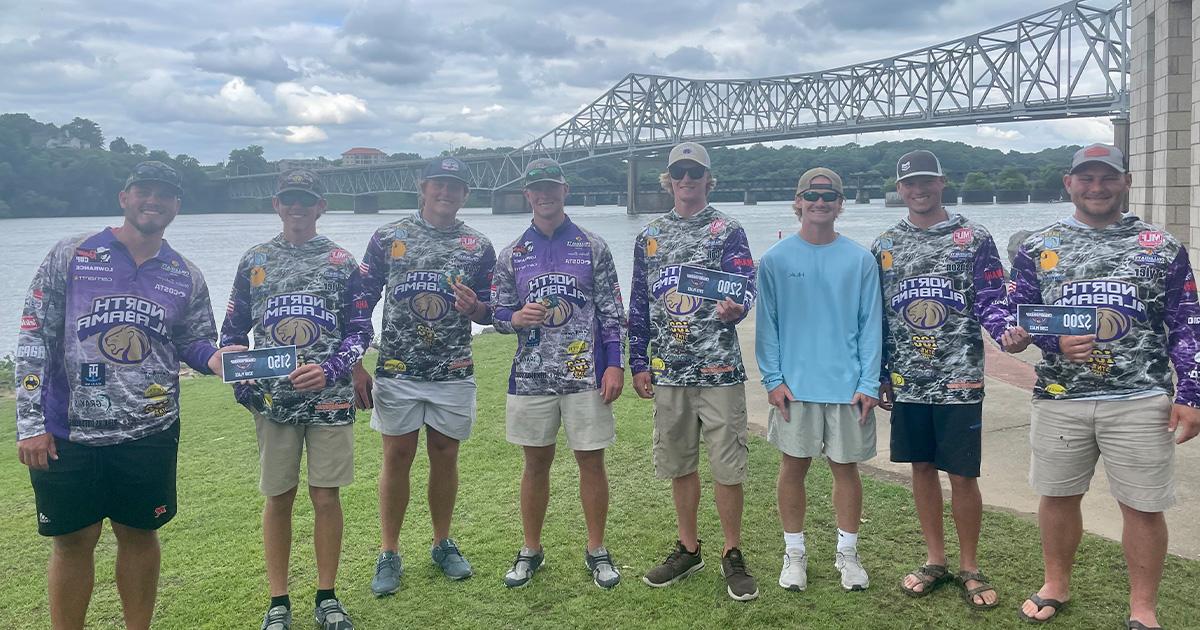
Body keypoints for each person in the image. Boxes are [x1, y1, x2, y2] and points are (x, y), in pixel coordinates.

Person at [15, 161, 240, 630]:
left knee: (140, 534)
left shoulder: (185, 274)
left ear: (177, 205)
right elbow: (33, 336)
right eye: (144, 190)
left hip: (150, 429)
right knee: (74, 540)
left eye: (165, 194)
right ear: (124, 196)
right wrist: (31, 424)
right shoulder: (73, 254)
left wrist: (217, 359)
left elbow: (194, 341)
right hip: (68, 430)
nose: (152, 200)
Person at [1009, 144, 1200, 628]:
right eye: (1086, 178)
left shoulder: (1161, 245)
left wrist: (1192, 394)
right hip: (1060, 397)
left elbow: (1187, 323)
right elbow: (1022, 317)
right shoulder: (1036, 246)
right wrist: (1054, 342)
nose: (1097, 187)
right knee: (1056, 496)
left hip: (1140, 398)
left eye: (1107, 178)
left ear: (1126, 182)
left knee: (1143, 505)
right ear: (1068, 183)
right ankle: (1056, 583)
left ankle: (1143, 609)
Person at [873, 149, 1027, 610]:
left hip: (959, 378)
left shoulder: (973, 238)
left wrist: (1006, 334)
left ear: (942, 182)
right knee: (921, 469)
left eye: (927, 181)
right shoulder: (884, 244)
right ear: (899, 189)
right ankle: (935, 560)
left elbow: (991, 299)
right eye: (909, 183)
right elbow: (878, 315)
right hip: (908, 381)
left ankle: (970, 566)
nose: (919, 190)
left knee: (962, 474)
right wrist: (881, 373)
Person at [221, 169, 372, 630]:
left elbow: (361, 331)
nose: (297, 207)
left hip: (330, 400)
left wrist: (329, 369)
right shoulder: (255, 260)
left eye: (306, 199)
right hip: (274, 405)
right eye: (289, 199)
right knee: (279, 498)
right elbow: (231, 333)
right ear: (276, 204)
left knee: (326, 498)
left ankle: (327, 597)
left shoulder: (344, 262)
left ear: (321, 205)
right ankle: (278, 603)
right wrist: (243, 384)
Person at [355, 157, 496, 594]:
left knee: (444, 455)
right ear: (423, 187)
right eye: (438, 185)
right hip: (397, 368)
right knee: (396, 457)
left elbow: (495, 308)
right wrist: (357, 360)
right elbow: (360, 300)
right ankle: (389, 552)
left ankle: (442, 542)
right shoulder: (387, 236)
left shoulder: (478, 245)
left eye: (454, 187)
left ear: (465, 195)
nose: (445, 193)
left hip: (452, 369)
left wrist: (475, 309)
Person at [629, 142, 760, 601]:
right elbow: (639, 306)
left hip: (719, 370)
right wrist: (638, 361)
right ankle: (688, 548)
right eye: (679, 172)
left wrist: (733, 310)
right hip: (668, 371)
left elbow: (745, 290)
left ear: (708, 179)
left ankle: (731, 551)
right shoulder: (649, 235)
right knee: (679, 463)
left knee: (727, 465)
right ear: (669, 180)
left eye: (695, 172)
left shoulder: (728, 229)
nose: (686, 179)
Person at [491, 158, 626, 589]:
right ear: (527, 195)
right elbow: (495, 312)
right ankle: (531, 549)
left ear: (564, 190)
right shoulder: (512, 252)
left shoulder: (594, 246)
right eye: (536, 189)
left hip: (586, 374)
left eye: (551, 187)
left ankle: (597, 549)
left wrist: (615, 364)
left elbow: (612, 312)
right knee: (535, 464)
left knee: (591, 461)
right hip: (530, 376)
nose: (544, 195)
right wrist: (515, 316)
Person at [757, 168, 882, 593]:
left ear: (840, 203)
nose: (820, 201)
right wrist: (772, 379)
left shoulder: (861, 259)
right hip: (795, 386)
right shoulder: (774, 259)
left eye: (830, 195)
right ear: (798, 201)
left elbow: (871, 326)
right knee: (793, 469)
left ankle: (847, 554)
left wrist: (869, 382)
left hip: (848, 388)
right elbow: (767, 326)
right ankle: (795, 554)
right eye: (811, 194)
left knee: (846, 470)